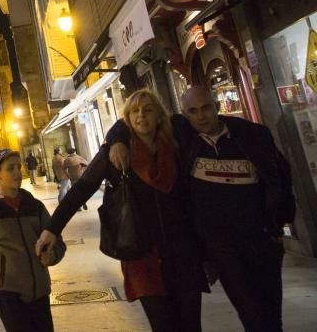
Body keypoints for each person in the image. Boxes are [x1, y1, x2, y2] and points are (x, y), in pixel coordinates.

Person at [107, 85, 295, 332]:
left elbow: (280, 174)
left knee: (271, 313)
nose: (201, 116)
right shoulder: (185, 138)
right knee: (252, 313)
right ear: (184, 115)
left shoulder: (251, 135)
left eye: (206, 108)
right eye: (193, 111)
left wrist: (280, 221)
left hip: (262, 239)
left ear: (216, 105)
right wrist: (116, 139)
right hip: (221, 247)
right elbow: (134, 119)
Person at [37, 90, 207, 332]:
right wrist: (52, 229)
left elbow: (203, 123)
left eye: (148, 110)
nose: (141, 116)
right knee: (163, 325)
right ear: (127, 118)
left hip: (182, 253)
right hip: (142, 254)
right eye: (134, 111)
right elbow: (82, 189)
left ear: (158, 115)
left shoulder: (176, 142)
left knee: (191, 325)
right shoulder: (116, 155)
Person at [0, 149, 65, 332]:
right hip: (9, 294)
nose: (17, 172)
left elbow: (58, 241)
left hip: (39, 291)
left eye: (18, 167)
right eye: (10, 168)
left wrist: (52, 256)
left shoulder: (35, 207)